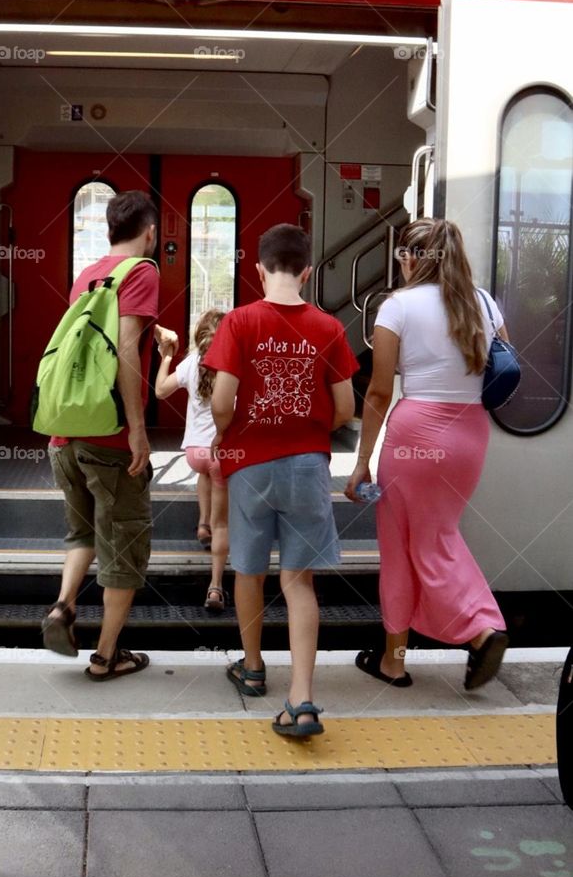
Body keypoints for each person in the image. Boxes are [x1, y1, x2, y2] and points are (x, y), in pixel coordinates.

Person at [204, 224, 358, 737]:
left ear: (259, 269)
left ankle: (252, 670)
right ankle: (303, 700)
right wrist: (306, 429)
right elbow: (345, 408)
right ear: (308, 272)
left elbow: (221, 401)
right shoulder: (329, 328)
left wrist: (232, 433)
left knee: (248, 572)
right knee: (299, 581)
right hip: (307, 464)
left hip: (249, 462)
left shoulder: (239, 322)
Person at [345, 217, 510, 691]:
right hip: (471, 434)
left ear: (413, 258)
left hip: (416, 432)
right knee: (429, 536)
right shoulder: (484, 303)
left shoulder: (397, 307)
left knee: (413, 544)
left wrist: (361, 462)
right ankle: (392, 660)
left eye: (403, 256)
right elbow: (503, 365)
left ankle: (481, 629)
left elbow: (378, 393)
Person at [41, 191, 172, 680]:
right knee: (124, 548)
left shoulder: (89, 274)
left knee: (83, 533)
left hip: (65, 438)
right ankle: (105, 657)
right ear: (150, 232)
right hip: (110, 442)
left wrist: (153, 333)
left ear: (108, 232)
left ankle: (62, 607)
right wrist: (138, 431)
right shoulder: (142, 271)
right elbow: (124, 350)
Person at [155, 308, 229, 611]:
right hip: (222, 453)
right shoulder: (233, 364)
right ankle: (215, 587)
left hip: (194, 454)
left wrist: (165, 357)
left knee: (204, 475)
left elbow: (160, 391)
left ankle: (202, 524)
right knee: (224, 525)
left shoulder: (191, 363)